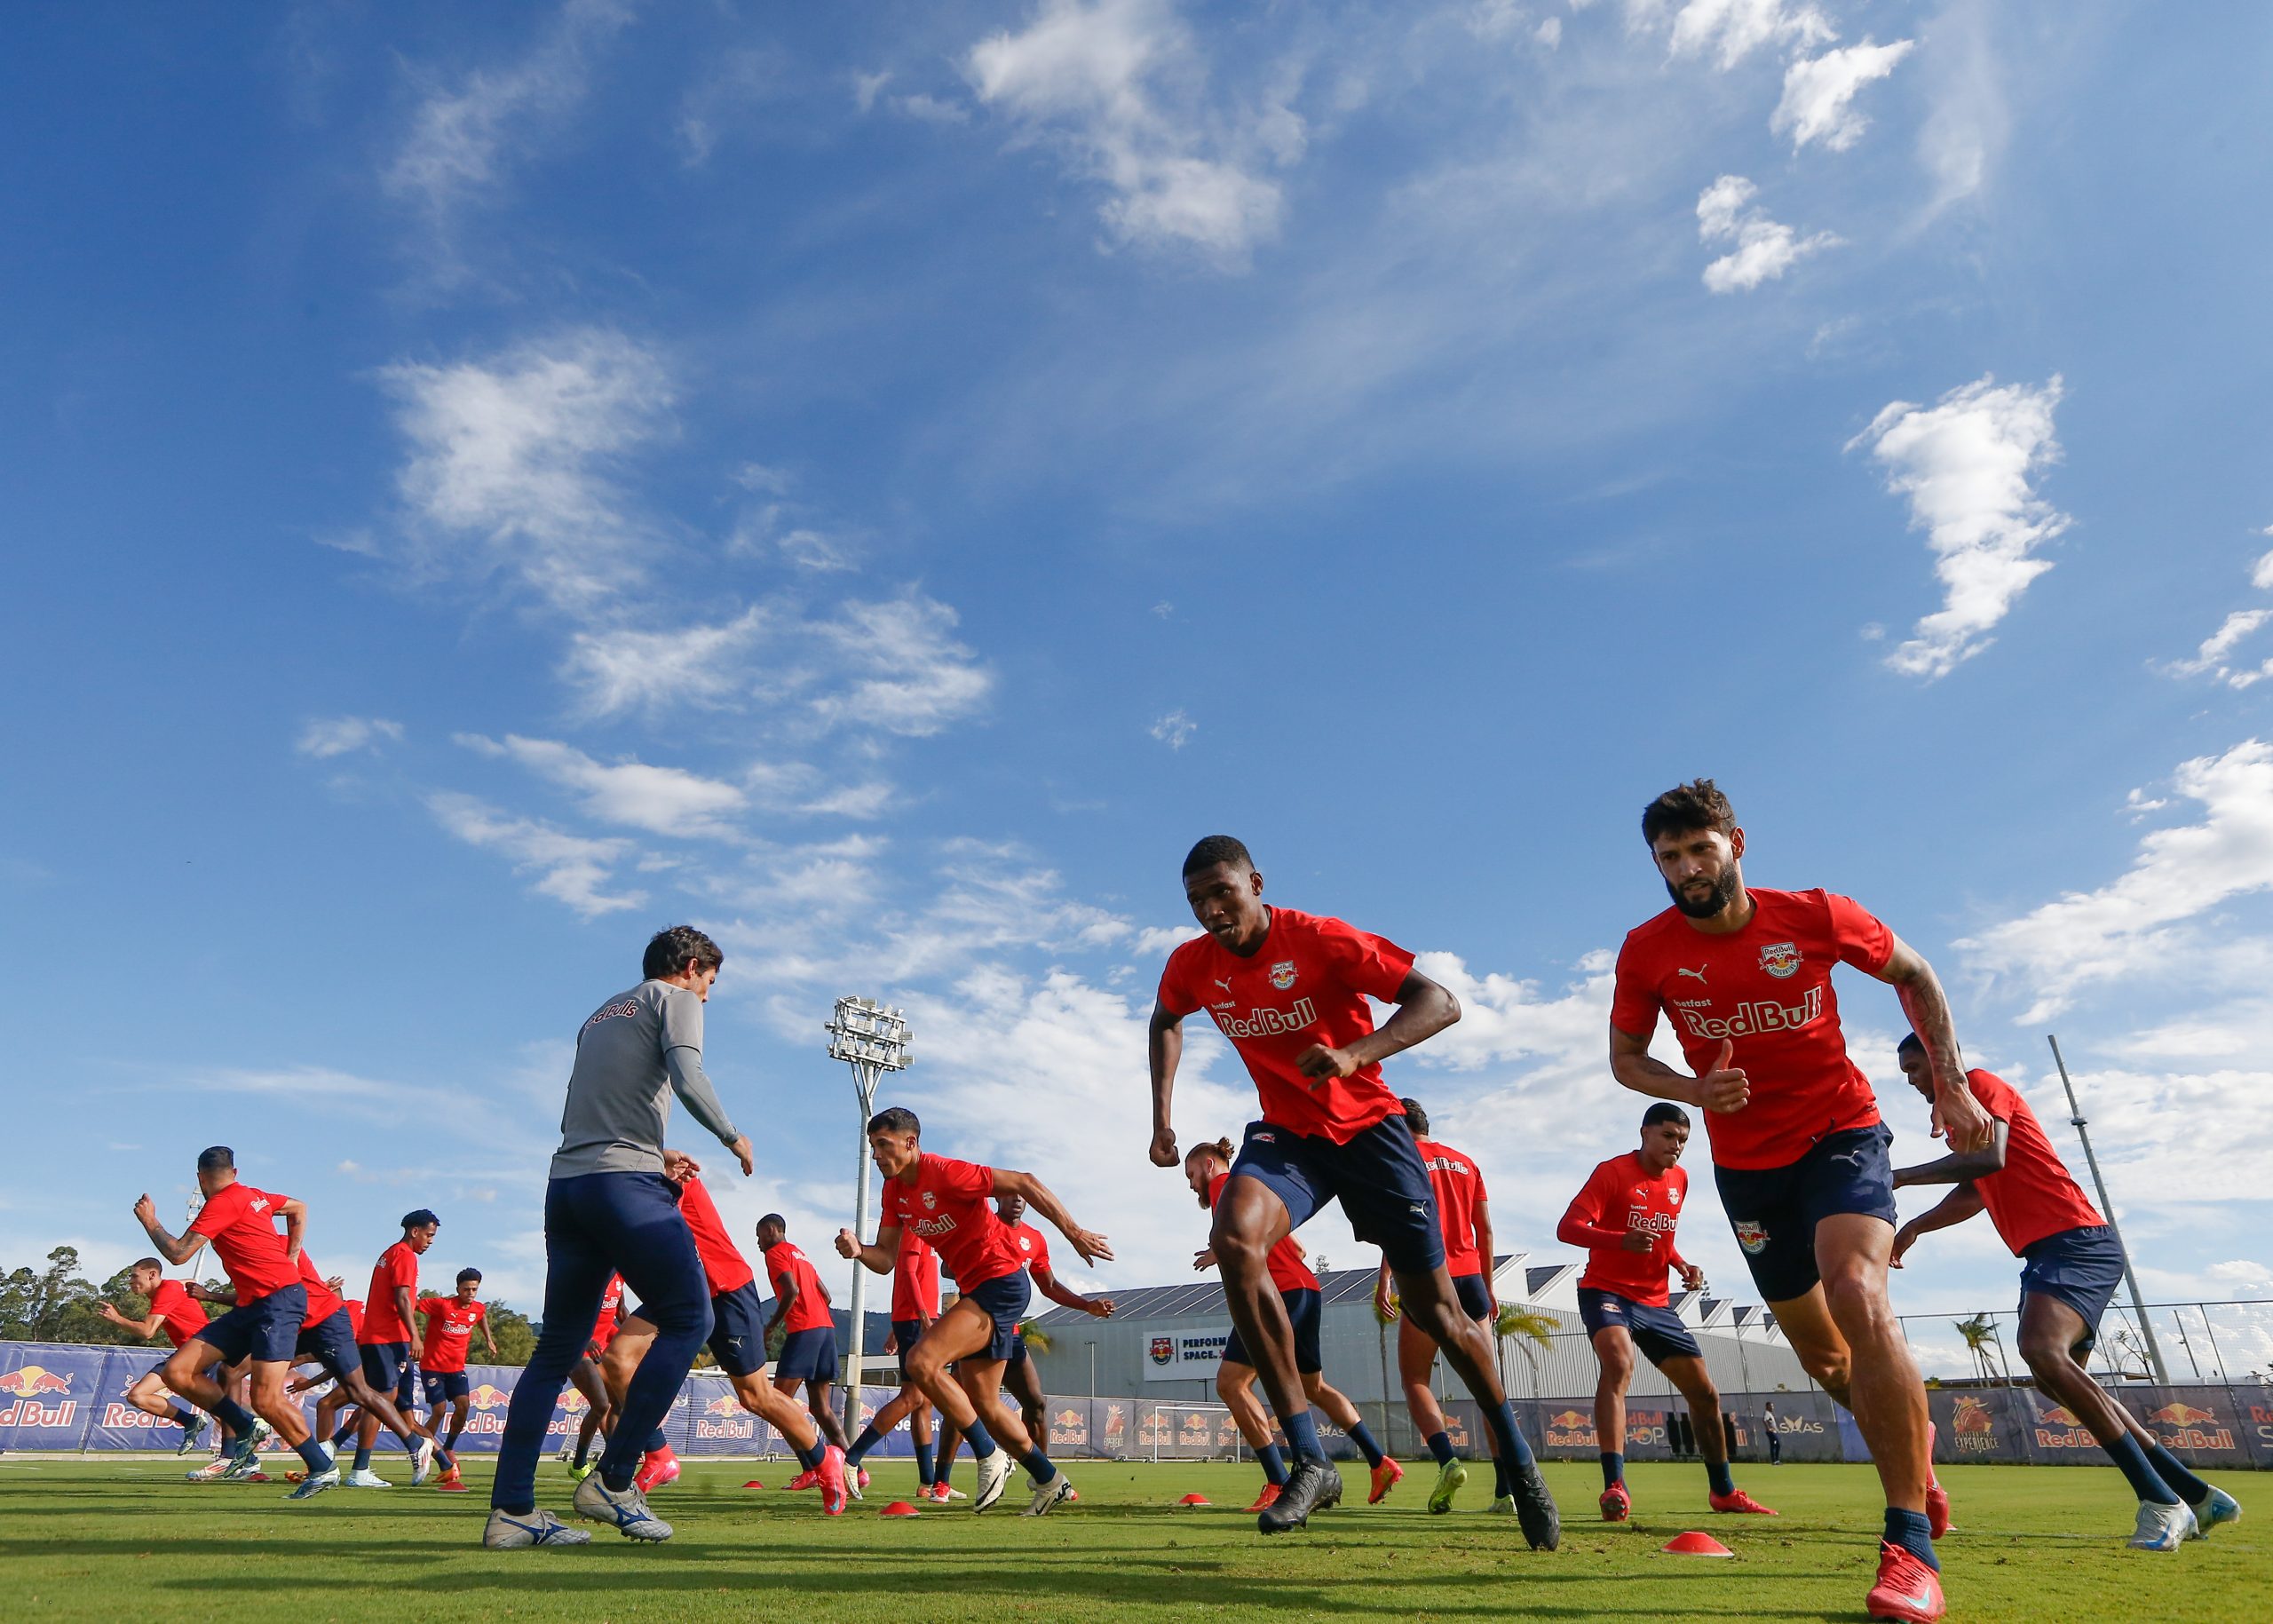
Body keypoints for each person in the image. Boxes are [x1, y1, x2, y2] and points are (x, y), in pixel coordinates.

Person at [1607, 779, 1992, 1624]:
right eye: (1668, 857)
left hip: (1842, 1134)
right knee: (1824, 1358)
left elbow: (1916, 972)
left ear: (1736, 845)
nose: (1685, 867)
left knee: (1857, 1290)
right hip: (1749, 1172)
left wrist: (1954, 1085)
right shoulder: (1647, 950)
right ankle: (1918, 1466)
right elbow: (1627, 1059)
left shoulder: (1813, 914)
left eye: (1699, 848)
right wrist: (1693, 1089)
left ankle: (1907, 1546)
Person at [1148, 836, 1557, 1545]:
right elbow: (1165, 1019)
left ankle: (1519, 1461)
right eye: (1197, 902)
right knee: (1235, 1238)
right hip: (1289, 1138)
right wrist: (1161, 1118)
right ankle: (1310, 1459)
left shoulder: (1321, 939)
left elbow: (1441, 1000)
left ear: (1256, 883)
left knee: (1439, 1312)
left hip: (1370, 1131)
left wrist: (1354, 1053)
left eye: (1223, 893)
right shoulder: (1192, 965)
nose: (1212, 911)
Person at [1889, 1034, 2243, 1549]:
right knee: (2057, 1381)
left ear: (1945, 1060)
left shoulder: (1981, 1085)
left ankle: (2160, 1500)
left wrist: (1895, 1177)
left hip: (2075, 1244)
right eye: (1906, 1071)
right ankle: (2197, 1495)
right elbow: (1977, 1188)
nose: (1912, 1079)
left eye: (1915, 1066)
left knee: (2041, 1351)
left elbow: (1990, 1160)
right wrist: (1917, 1227)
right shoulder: (1966, 1126)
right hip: (2049, 1252)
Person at [483, 924, 756, 1550]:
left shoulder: (599, 1014)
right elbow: (688, 1076)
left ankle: (512, 1512)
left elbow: (580, 1113)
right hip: (622, 1189)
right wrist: (731, 1135)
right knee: (691, 1315)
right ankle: (614, 1478)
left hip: (569, 1187)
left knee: (556, 1352)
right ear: (690, 967)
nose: (707, 999)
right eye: (710, 984)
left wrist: (652, 1152)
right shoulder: (675, 999)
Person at [836, 1106, 1105, 1516]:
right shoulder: (894, 1193)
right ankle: (1050, 1480)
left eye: (884, 1145)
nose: (876, 1155)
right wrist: (859, 1252)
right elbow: (886, 1258)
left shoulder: (944, 1172)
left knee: (922, 1361)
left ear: (911, 1143)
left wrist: (1074, 1232)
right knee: (987, 1406)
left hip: (1002, 1282)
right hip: (977, 1291)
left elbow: (1025, 1182)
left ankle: (988, 1455)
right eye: (873, 1147)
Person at [1558, 1101, 1776, 1521]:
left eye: (1682, 1141)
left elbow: (1663, 1237)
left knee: (1705, 1393)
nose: (1676, 1147)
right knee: (1619, 1364)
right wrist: (1621, 1240)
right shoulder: (1612, 1173)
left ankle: (1723, 1491)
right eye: (1668, 1136)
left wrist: (1681, 1265)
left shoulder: (1680, 1179)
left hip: (1655, 1303)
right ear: (1645, 1133)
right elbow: (1568, 1228)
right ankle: (1614, 1486)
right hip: (1606, 1292)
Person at [601, 1154, 849, 1510]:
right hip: (679, 1288)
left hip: (725, 1290)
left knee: (755, 1397)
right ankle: (658, 1456)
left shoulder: (667, 1175)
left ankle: (825, 1460)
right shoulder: (618, 1183)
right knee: (618, 1359)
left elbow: (653, 1212)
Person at [1186, 1137, 1398, 1515]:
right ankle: (1379, 1461)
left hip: (1277, 1292)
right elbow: (1297, 1249)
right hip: (1306, 1288)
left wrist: (1218, 1250)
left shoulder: (1225, 1187)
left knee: (1231, 1384)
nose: (1191, 1186)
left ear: (1207, 1164)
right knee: (1312, 1386)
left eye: (1191, 1175)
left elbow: (1238, 1239)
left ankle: (1278, 1481)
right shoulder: (1257, 1194)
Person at [130, 1148, 344, 1499]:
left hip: (278, 1304)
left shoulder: (222, 1204)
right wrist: (292, 1252)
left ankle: (322, 1467)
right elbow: (298, 1207)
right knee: (178, 1372)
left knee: (266, 1397)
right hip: (250, 1306)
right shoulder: (254, 1194)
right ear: (235, 1171)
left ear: (200, 1177)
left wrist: (149, 1220)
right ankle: (246, 1429)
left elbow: (179, 1254)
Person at [1376, 1099, 1503, 1514]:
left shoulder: (1402, 1159)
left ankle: (1448, 1460)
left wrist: (1386, 1278)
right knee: (1488, 1386)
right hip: (1471, 1280)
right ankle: (1509, 1488)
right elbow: (1483, 1229)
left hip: (1430, 1279)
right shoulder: (1466, 1163)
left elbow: (1400, 1226)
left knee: (1415, 1380)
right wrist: (1488, 1287)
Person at [278, 1248, 444, 1493]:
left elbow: (338, 1355)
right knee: (363, 1404)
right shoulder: (330, 1316)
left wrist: (303, 1374)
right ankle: (333, 1461)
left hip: (386, 1353)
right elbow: (337, 1356)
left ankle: (425, 1453)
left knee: (381, 1407)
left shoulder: (348, 1312)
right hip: (374, 1354)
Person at [845, 1231, 941, 1500]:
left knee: (923, 1402)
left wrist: (900, 1325)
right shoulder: (914, 1227)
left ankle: (928, 1483)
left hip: (914, 1319)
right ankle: (851, 1459)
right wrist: (921, 1318)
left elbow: (913, 1278)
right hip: (916, 1320)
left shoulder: (928, 1231)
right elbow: (908, 1273)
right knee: (912, 1397)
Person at [352, 1209, 439, 1486]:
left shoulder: (389, 1253)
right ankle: (364, 1468)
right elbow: (402, 1298)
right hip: (389, 1339)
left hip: (382, 1338)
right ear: (415, 1231)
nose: (430, 1241)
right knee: (379, 1402)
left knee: (391, 1404)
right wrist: (415, 1335)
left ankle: (432, 1455)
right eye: (429, 1235)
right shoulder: (404, 1255)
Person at [758, 1215, 852, 1462]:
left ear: (771, 1231)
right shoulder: (800, 1254)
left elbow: (792, 1290)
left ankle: (814, 1467)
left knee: (777, 1402)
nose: (758, 1243)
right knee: (821, 1408)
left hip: (805, 1331)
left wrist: (770, 1327)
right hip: (826, 1330)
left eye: (759, 1236)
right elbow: (827, 1295)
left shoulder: (776, 1253)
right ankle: (854, 1466)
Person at [99, 1260, 214, 1454]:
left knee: (221, 1409)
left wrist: (117, 1319)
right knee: (137, 1396)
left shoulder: (167, 1290)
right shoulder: (168, 1289)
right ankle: (190, 1421)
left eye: (135, 1276)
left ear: (152, 1275)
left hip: (207, 1351)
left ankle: (246, 1460)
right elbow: (188, 1281)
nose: (130, 1281)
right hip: (186, 1355)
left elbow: (147, 1331)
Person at [415, 1270, 496, 1493]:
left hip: (456, 1369)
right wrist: (412, 1335)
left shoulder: (478, 1308)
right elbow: (412, 1303)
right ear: (458, 1288)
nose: (470, 1293)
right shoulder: (442, 1305)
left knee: (464, 1406)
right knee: (439, 1410)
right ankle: (426, 1448)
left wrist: (489, 1339)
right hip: (432, 1367)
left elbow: (481, 1316)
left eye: (474, 1289)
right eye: (466, 1289)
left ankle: (448, 1448)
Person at [558, 1273, 622, 1482]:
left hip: (600, 1350)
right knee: (601, 1405)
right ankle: (579, 1464)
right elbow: (566, 1313)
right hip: (578, 1349)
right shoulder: (591, 1274)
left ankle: (613, 1460)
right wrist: (585, 1339)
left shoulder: (621, 1277)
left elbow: (621, 1312)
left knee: (619, 1403)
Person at [1763, 1398, 1780, 1465]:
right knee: (1777, 1445)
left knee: (1774, 1445)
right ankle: (1775, 1460)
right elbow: (1764, 1420)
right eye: (1771, 1406)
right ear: (1768, 1406)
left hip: (1773, 1431)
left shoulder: (1770, 1414)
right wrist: (1768, 1429)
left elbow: (1771, 1422)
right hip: (1771, 1432)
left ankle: (1775, 1461)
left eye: (1773, 1406)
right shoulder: (1767, 1413)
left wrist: (1776, 1428)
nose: (1773, 1407)